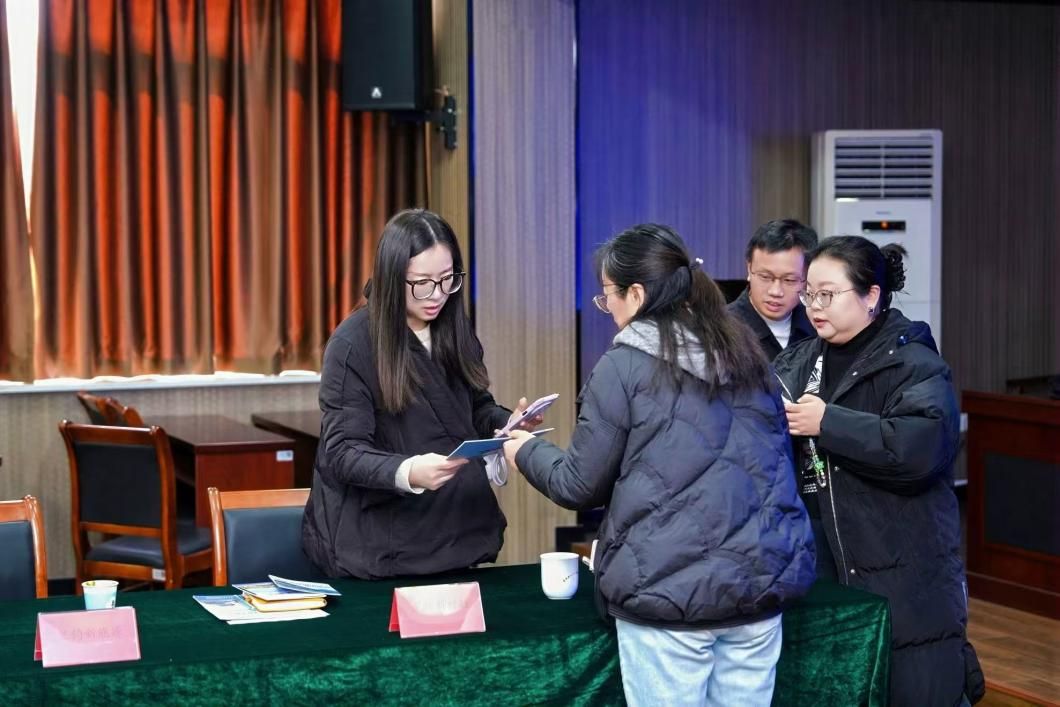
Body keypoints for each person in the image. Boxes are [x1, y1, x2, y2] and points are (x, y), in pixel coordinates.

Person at [503, 224, 815, 706]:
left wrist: (522, 449)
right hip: (757, 588)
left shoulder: (624, 366)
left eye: (608, 296)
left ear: (637, 293)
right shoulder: (746, 352)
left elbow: (578, 484)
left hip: (668, 594)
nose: (608, 310)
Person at [774, 236, 984, 705]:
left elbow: (918, 450)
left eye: (828, 294)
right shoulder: (797, 363)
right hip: (819, 568)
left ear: (871, 296)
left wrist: (828, 423)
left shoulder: (915, 363)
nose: (814, 306)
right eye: (809, 294)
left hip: (901, 571)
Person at [302, 208, 536, 579]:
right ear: (392, 277)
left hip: (456, 529)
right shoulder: (353, 345)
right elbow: (343, 452)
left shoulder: (452, 329)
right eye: (422, 283)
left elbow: (475, 408)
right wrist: (408, 471)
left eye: (447, 279)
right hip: (384, 543)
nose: (437, 295)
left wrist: (508, 424)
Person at [728, 219, 818, 360]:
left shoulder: (817, 324)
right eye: (765, 277)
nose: (775, 292)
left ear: (807, 278)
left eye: (789, 280)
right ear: (749, 268)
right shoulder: (722, 328)